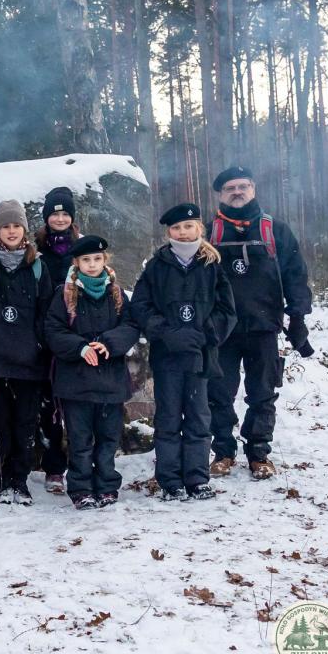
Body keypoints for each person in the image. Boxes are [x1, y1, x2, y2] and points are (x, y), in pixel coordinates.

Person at [206, 166, 313, 480]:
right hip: (221, 330)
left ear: (253, 189)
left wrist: (298, 317)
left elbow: (295, 275)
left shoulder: (275, 230)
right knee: (218, 394)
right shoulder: (207, 232)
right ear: (220, 194)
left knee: (263, 394)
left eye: (243, 186)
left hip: (264, 327)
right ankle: (223, 452)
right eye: (230, 188)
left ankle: (259, 453)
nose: (237, 192)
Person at [131, 203, 236, 502]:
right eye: (176, 228)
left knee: (199, 418)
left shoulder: (212, 265)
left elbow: (227, 310)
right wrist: (168, 333)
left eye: (188, 226)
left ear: (198, 228)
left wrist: (205, 334)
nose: (182, 232)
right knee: (168, 419)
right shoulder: (157, 266)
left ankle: (197, 478)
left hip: (201, 357)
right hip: (167, 357)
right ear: (169, 232)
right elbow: (141, 306)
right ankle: (170, 481)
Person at [43, 236, 139, 510]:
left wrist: (110, 343)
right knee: (80, 440)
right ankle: (82, 488)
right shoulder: (65, 294)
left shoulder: (117, 294)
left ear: (104, 260)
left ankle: (107, 485)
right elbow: (53, 330)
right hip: (76, 383)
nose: (92, 264)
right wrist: (80, 347)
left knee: (108, 439)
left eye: (97, 259)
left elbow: (131, 326)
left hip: (111, 381)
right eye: (86, 260)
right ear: (77, 263)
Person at [0, 199, 54, 506]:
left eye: (16, 226)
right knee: (0, 423)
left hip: (29, 360)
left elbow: (46, 311)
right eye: (6, 226)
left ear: (25, 229)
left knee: (25, 423)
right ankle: (2, 481)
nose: (11, 231)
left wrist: (39, 344)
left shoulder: (37, 266)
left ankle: (20, 481)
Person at [34, 186, 81, 495]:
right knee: (49, 408)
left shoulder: (83, 249)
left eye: (65, 214)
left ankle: (81, 463)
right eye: (55, 214)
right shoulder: (36, 251)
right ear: (46, 218)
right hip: (45, 336)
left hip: (77, 336)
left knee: (77, 405)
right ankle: (54, 467)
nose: (60, 218)